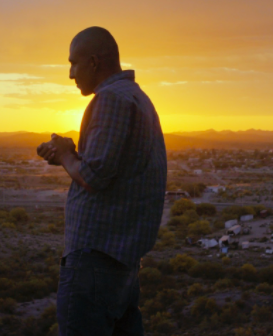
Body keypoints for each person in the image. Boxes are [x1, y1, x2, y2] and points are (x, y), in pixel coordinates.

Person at [37, 26, 167, 336]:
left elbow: (94, 177)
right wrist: (66, 155)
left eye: (74, 63)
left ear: (94, 62)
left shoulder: (110, 100)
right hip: (119, 261)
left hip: (95, 261)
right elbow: (111, 169)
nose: (70, 74)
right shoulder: (137, 98)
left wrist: (69, 155)